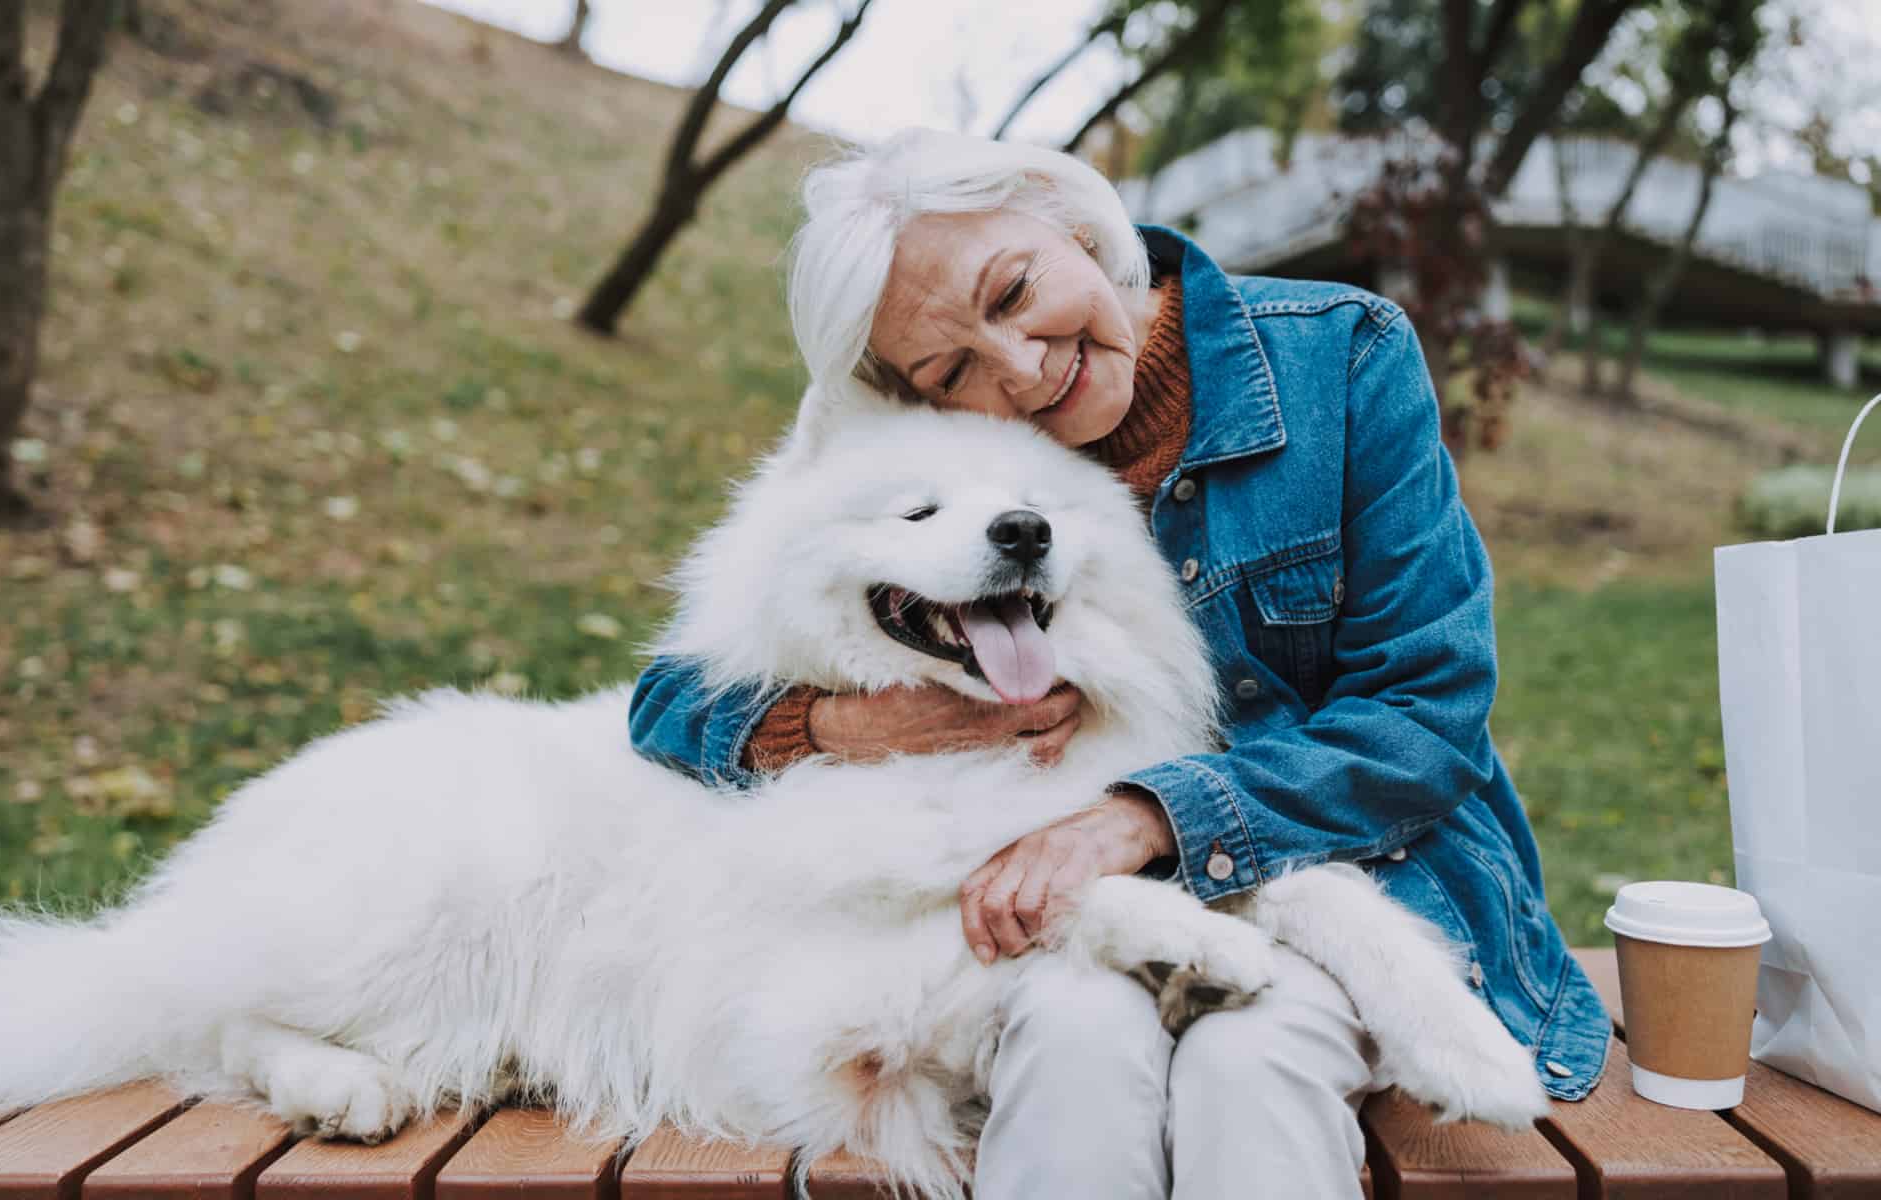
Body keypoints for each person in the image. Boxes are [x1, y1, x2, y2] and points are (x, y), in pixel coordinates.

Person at [627, 128, 1609, 1199]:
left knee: (1248, 1060)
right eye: (950, 366)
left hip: (1364, 866)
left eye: (1012, 291)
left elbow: (1424, 712)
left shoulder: (1339, 358)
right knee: (1071, 1039)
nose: (1017, 366)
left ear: (1069, 219)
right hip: (1078, 913)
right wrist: (847, 724)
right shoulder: (958, 466)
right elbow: (675, 697)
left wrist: (1146, 817)